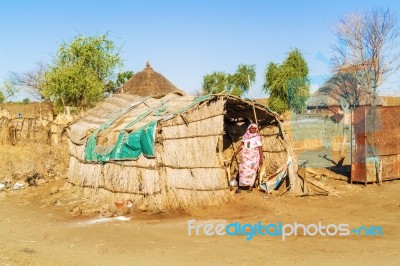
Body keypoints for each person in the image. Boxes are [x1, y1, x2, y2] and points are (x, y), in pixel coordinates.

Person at [233, 123, 263, 193]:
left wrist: (261, 158)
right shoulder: (245, 136)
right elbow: (242, 145)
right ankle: (241, 186)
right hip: (245, 157)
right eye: (252, 128)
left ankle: (250, 187)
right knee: (242, 171)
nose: (253, 129)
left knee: (252, 171)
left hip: (253, 157)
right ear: (249, 128)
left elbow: (260, 148)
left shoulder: (257, 137)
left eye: (255, 128)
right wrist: (235, 153)